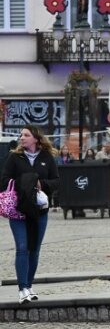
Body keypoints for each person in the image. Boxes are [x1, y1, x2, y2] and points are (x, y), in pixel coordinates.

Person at [1, 126, 59, 304]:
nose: (22, 138)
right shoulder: (14, 157)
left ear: (36, 138)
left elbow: (56, 181)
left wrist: (41, 184)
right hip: (18, 210)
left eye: (26, 135)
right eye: (21, 135)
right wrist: (25, 183)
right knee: (22, 247)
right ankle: (22, 288)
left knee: (34, 250)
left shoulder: (46, 158)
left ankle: (30, 284)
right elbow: (3, 180)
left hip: (39, 210)